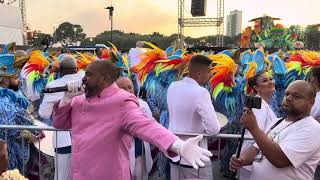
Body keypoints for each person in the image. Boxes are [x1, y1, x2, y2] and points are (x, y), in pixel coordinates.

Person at [52, 60, 212, 180]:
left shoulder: (122, 101)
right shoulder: (79, 99)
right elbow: (60, 124)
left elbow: (147, 125)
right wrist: (66, 99)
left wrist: (179, 146)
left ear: (105, 78)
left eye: (88, 74)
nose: (83, 79)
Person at [230, 80, 320, 180]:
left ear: (311, 102)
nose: (289, 98)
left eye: (296, 96)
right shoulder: (277, 122)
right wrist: (242, 159)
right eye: (287, 94)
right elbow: (256, 148)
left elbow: (280, 160)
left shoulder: (313, 128)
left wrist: (254, 128)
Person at [167, 55, 221, 179]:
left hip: (175, 152)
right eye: (209, 72)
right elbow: (214, 129)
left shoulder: (172, 86)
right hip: (195, 156)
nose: (210, 75)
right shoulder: (201, 92)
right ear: (198, 74)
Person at [38, 55, 83, 180]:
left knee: (62, 176)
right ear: (77, 68)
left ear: (60, 70)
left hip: (63, 139)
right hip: (87, 138)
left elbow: (43, 114)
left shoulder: (53, 85)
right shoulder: (87, 80)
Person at [0, 53, 39, 172]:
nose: (19, 81)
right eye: (16, 78)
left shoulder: (10, 97)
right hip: (7, 157)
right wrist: (27, 134)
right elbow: (7, 128)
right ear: (6, 80)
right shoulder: (4, 101)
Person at [240, 72, 277, 179]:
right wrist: (247, 157)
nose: (270, 82)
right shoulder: (258, 105)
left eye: (270, 78)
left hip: (257, 159)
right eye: (265, 81)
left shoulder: (263, 104)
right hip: (253, 161)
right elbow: (254, 134)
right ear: (256, 87)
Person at [116, 77, 153, 180]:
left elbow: (151, 126)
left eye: (130, 87)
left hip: (141, 153)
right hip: (122, 157)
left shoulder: (143, 104)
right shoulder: (112, 107)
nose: (128, 91)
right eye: (123, 88)